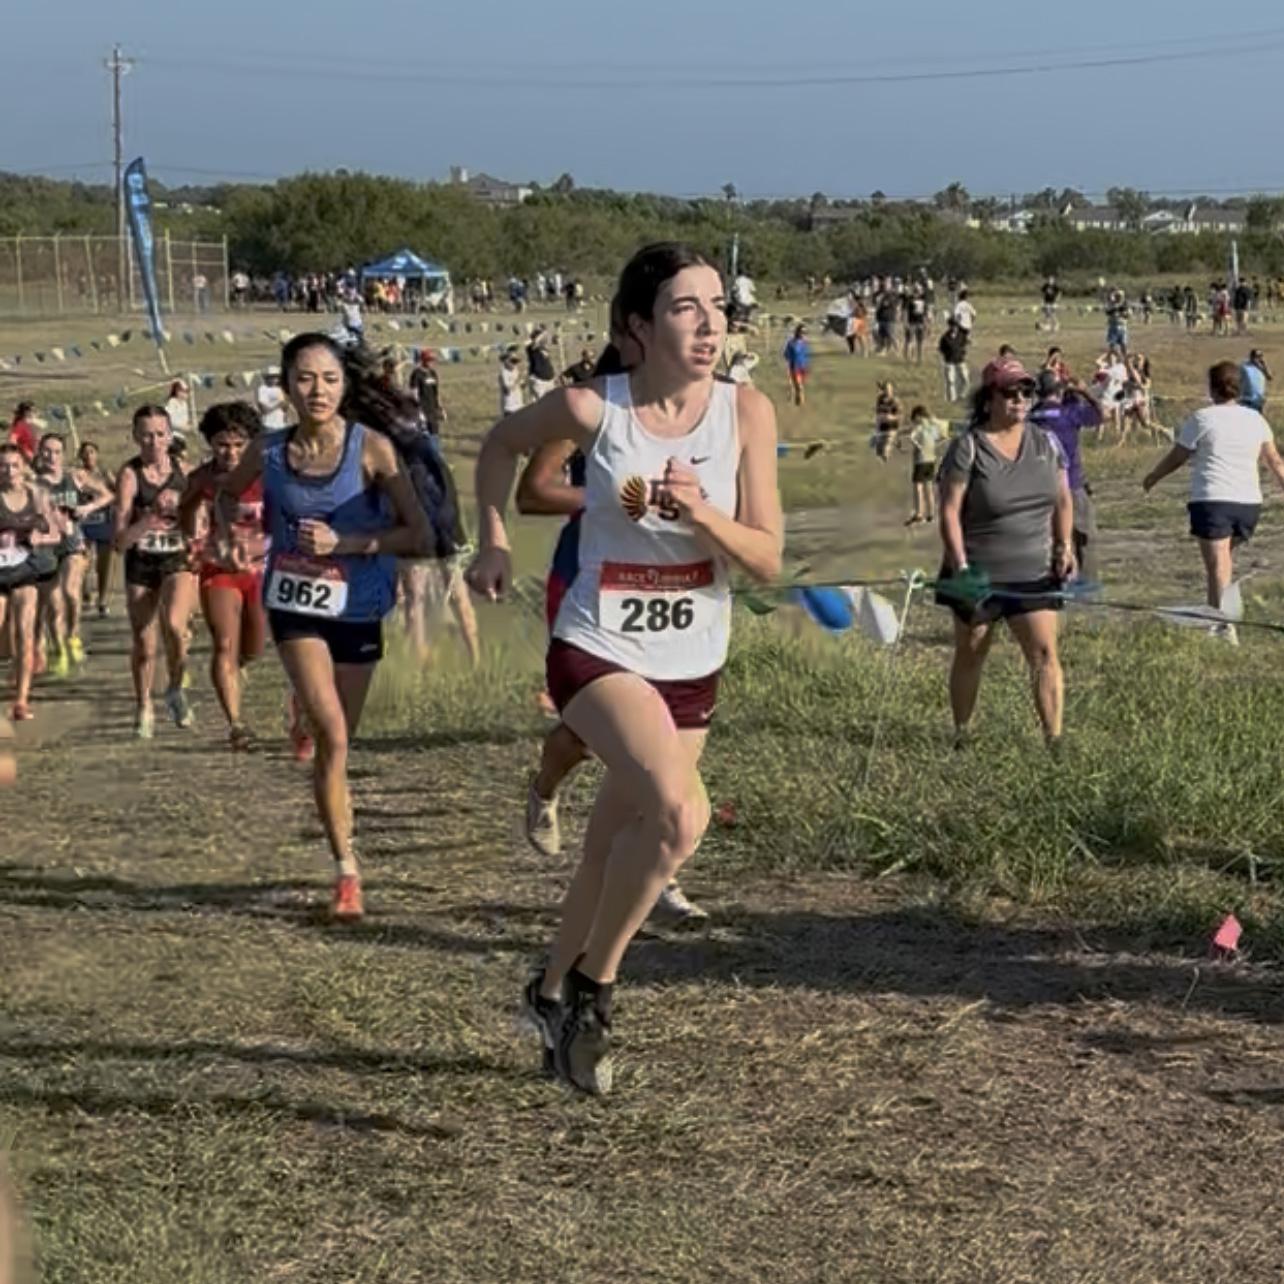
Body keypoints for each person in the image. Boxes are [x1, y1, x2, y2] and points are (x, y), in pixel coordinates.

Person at [468, 241, 782, 1095]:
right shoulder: (591, 409)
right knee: (681, 817)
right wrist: (494, 541)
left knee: (614, 850)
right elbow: (498, 449)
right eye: (688, 307)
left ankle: (547, 991)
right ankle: (596, 996)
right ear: (637, 328)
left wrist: (703, 515)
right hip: (598, 645)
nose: (712, 322)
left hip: (692, 660)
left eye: (719, 305)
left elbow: (767, 560)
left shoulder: (747, 412)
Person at [211, 333, 431, 919]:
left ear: (345, 386)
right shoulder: (269, 451)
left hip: (358, 605)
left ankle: (303, 708)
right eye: (305, 378)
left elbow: (418, 533)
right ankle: (347, 873)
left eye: (329, 379)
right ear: (285, 387)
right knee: (332, 734)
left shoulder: (372, 449)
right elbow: (225, 495)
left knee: (341, 736)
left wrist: (351, 541)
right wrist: (230, 534)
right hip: (294, 605)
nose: (318, 390)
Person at [515, 334, 707, 926]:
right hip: (589, 584)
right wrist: (611, 499)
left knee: (666, 738)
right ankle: (545, 785)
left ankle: (659, 878)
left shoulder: (697, 418)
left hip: (668, 588)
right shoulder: (587, 409)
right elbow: (533, 491)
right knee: (593, 740)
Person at [936, 356, 1074, 751]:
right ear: (988, 398)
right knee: (972, 650)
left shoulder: (1046, 442)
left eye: (1026, 391)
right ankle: (962, 734)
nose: (1020, 399)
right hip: (977, 571)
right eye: (1010, 392)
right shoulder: (968, 447)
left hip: (1033, 569)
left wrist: (1064, 546)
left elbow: (1063, 499)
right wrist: (960, 567)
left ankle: (1055, 742)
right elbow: (948, 510)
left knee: (1045, 652)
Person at [1142, 360, 1284, 642]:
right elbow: (1275, 461)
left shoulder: (1202, 418)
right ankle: (1214, 619)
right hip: (1248, 505)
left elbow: (1178, 456)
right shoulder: (1256, 419)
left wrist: (1154, 476)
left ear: (1212, 389)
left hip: (1213, 498)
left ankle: (1224, 625)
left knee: (1218, 564)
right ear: (1239, 388)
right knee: (1221, 563)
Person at [184, 402, 268, 750]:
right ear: (210, 443)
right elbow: (185, 509)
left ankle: (239, 666)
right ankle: (235, 724)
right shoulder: (203, 478)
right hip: (219, 569)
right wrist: (192, 541)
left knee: (255, 645)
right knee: (224, 644)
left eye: (238, 444)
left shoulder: (267, 474)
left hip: (260, 569)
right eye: (222, 444)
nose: (230, 452)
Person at [115, 406, 198, 738]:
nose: (154, 442)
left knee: (177, 628)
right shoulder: (129, 475)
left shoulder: (185, 472)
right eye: (146, 435)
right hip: (141, 562)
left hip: (176, 559)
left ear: (170, 435)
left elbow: (200, 522)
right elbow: (119, 541)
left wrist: (189, 520)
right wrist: (149, 516)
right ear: (136, 436)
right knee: (145, 644)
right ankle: (144, 705)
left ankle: (175, 688)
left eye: (160, 434)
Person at [33, 433, 111, 674]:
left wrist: (87, 507)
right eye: (47, 451)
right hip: (45, 546)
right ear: (39, 453)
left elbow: (108, 495)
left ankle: (73, 635)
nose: (51, 456)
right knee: (53, 605)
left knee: (70, 592)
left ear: (64, 454)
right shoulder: (33, 482)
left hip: (72, 542)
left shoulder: (75, 477)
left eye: (57, 451)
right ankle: (58, 648)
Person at [0, 443, 59, 720]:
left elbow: (55, 534)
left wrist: (40, 538)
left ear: (23, 467)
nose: (9, 471)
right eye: (4, 466)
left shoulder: (35, 495)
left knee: (26, 635)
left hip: (25, 572)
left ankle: (21, 701)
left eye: (14, 465)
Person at [1030, 372, 1103, 582]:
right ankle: (1087, 583)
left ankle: (1054, 579)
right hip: (1071, 482)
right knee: (1084, 536)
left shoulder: (1030, 417)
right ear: (1060, 391)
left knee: (1049, 537)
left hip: (1040, 485)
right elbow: (1100, 415)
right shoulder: (1068, 413)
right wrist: (1084, 392)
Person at [76, 441, 117, 617]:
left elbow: (119, 492)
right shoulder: (78, 475)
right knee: (84, 563)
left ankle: (102, 599)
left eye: (92, 452)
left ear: (97, 454)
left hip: (103, 522)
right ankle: (86, 594)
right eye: (85, 453)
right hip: (84, 524)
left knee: (104, 564)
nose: (89, 456)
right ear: (80, 456)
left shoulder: (105, 474)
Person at [905, 405, 945, 525]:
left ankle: (919, 513)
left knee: (918, 487)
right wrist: (933, 446)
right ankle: (931, 513)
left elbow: (911, 437)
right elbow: (942, 437)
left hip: (920, 460)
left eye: (914, 418)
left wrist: (918, 446)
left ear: (918, 416)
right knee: (929, 486)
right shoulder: (932, 427)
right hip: (931, 459)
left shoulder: (919, 427)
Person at [408, 349, 445, 434]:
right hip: (422, 409)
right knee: (423, 435)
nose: (432, 363)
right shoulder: (417, 374)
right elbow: (414, 393)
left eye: (433, 360)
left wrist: (440, 408)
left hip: (433, 409)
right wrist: (418, 410)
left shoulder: (433, 373)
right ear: (424, 360)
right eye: (430, 360)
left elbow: (436, 392)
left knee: (434, 433)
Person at [939, 318, 970, 402]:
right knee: (950, 381)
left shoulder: (961, 336)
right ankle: (952, 399)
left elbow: (965, 344)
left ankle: (962, 395)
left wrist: (963, 352)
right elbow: (941, 349)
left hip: (960, 360)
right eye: (952, 326)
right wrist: (947, 355)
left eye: (956, 326)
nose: (954, 328)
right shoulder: (945, 337)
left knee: (965, 380)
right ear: (949, 326)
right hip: (949, 361)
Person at [873, 381, 902, 461]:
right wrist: (877, 425)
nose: (888, 391)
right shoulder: (880, 399)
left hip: (892, 427)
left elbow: (899, 416)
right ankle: (883, 453)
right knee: (878, 451)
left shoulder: (895, 402)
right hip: (882, 426)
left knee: (886, 448)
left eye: (889, 389)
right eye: (886, 389)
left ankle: (887, 452)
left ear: (892, 390)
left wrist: (890, 417)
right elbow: (877, 413)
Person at [783, 323, 810, 407]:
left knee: (800, 385)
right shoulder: (791, 343)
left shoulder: (804, 343)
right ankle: (800, 402)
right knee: (799, 386)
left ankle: (797, 400)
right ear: (797, 332)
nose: (803, 334)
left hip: (803, 366)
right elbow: (786, 354)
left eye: (805, 332)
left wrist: (805, 363)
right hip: (795, 367)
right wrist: (791, 360)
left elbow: (806, 354)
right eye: (802, 332)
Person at [527, 329, 557, 401]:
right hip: (539, 381)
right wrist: (541, 335)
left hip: (549, 381)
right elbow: (535, 343)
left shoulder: (544, 349)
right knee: (541, 404)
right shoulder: (531, 349)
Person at [1239, 348, 1272, 413]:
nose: (1259, 358)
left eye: (1261, 356)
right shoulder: (1244, 366)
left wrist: (1264, 365)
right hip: (1247, 399)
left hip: (1259, 399)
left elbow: (1270, 377)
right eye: (1257, 356)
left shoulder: (1262, 367)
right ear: (1251, 357)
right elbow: (1237, 379)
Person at [499, 347, 524, 416]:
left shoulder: (516, 371)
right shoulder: (504, 373)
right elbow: (507, 390)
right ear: (506, 361)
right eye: (513, 362)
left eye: (516, 362)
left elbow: (522, 386)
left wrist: (525, 378)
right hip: (509, 407)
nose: (515, 364)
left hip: (519, 405)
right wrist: (518, 379)